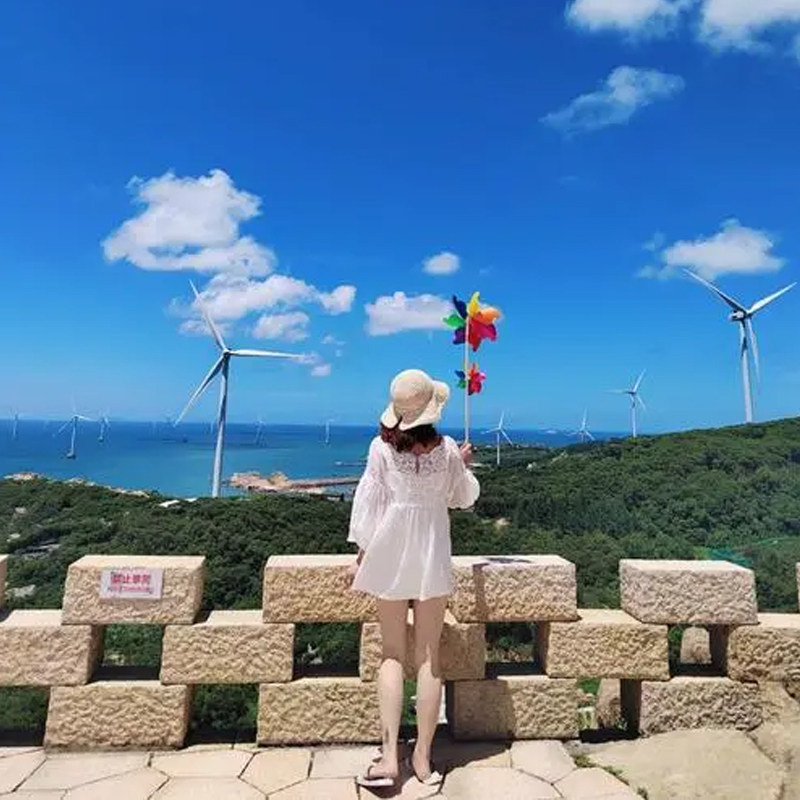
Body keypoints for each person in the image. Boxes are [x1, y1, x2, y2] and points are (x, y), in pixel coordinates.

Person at [348, 368, 480, 789]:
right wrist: (463, 467)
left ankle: (390, 758)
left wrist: (361, 556)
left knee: (391, 655)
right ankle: (422, 756)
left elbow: (369, 509)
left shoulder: (381, 449)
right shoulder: (447, 451)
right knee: (428, 658)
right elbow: (463, 498)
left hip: (390, 554)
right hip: (432, 555)